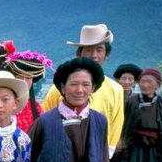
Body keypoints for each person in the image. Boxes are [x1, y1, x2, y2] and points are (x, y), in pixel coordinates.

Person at [40, 24, 124, 153]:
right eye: (89, 50)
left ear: (106, 54)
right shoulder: (59, 88)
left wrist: (106, 155)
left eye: (99, 50)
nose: (94, 55)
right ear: (80, 53)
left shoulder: (116, 89)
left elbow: (116, 124)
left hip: (98, 155)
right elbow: (44, 119)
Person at [105, 63, 142, 162]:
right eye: (124, 78)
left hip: (128, 143)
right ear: (118, 79)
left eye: (130, 79)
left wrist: (125, 140)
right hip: (110, 138)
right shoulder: (112, 94)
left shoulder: (136, 99)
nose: (126, 82)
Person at [6, 50, 52, 133]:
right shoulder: (0, 104)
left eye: (28, 78)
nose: (24, 82)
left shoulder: (36, 107)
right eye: (19, 77)